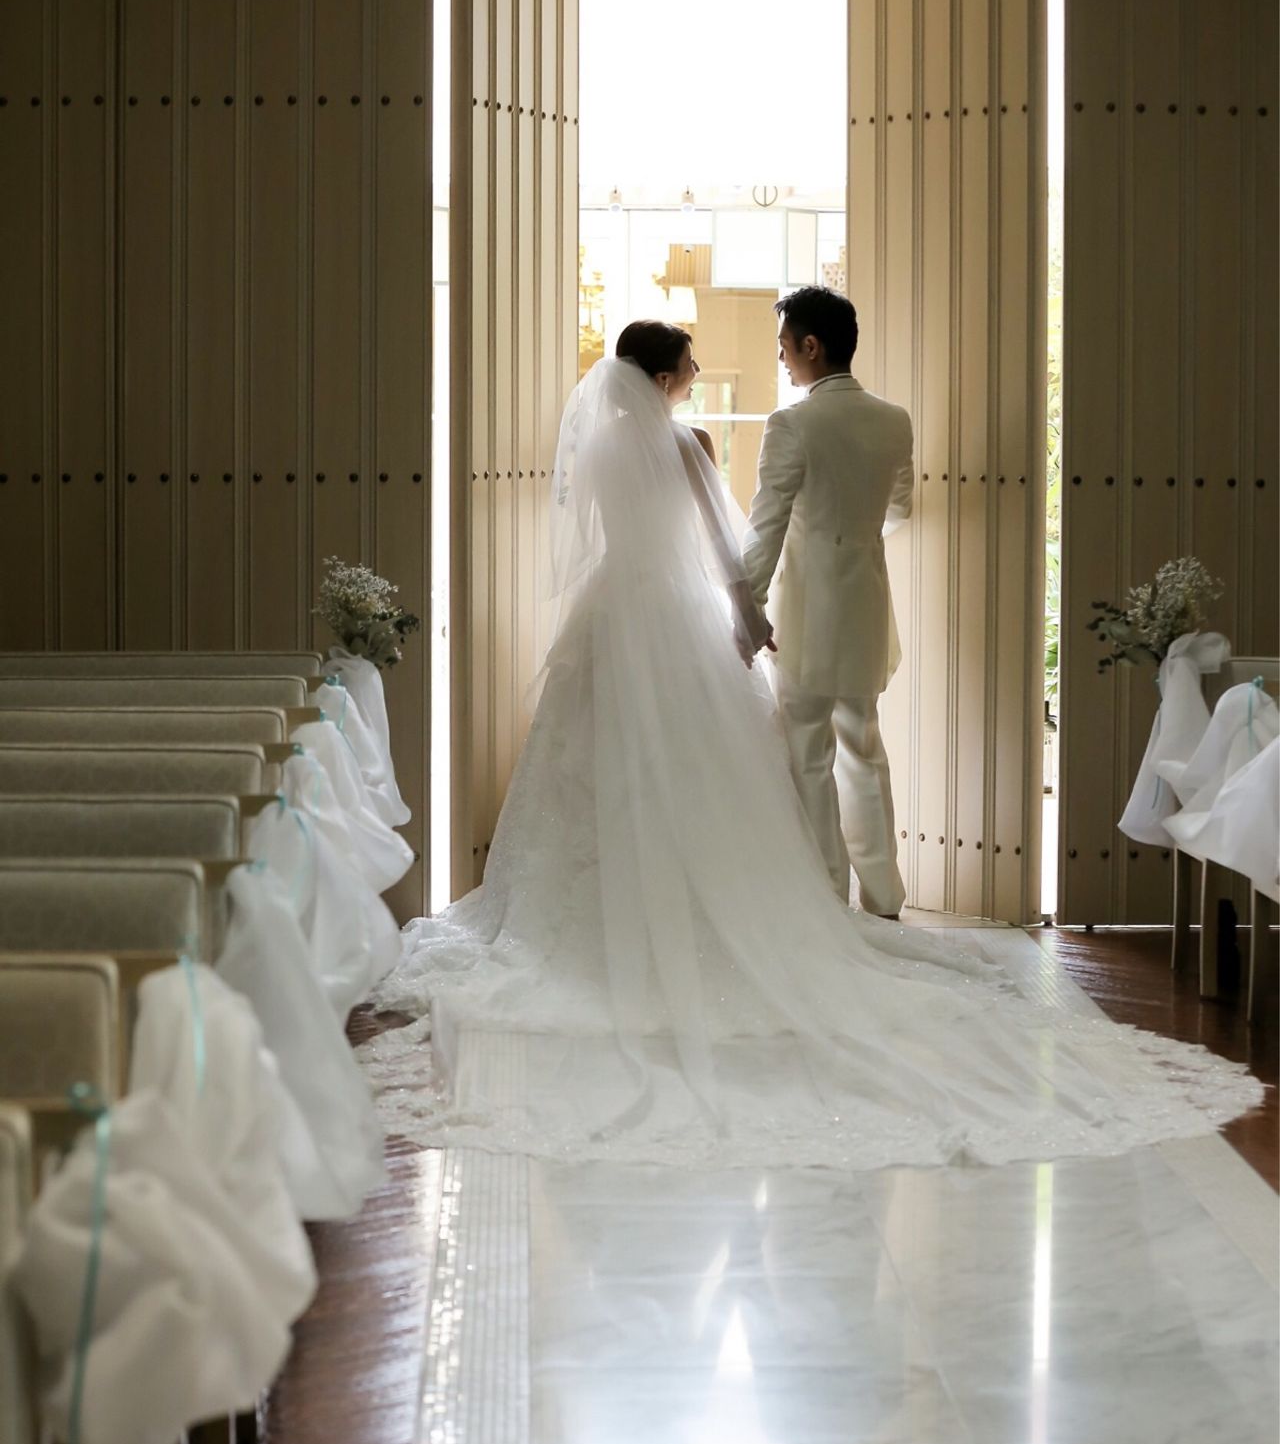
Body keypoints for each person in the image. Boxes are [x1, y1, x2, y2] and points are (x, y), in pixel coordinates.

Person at [360, 328, 1260, 1171]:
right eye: (689, 365)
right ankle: (785, 899)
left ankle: (590, 920)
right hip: (674, 619)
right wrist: (747, 617)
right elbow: (723, 544)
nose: (696, 375)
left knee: (592, 767)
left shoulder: (594, 450)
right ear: (664, 378)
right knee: (719, 768)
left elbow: (594, 539)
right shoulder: (690, 445)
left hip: (610, 617)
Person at [745, 286, 911, 916]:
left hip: (807, 613)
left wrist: (749, 607)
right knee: (864, 746)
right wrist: (851, 540)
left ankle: (826, 898)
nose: (782, 358)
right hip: (866, 603)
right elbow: (900, 509)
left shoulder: (792, 424)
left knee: (808, 754)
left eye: (785, 346)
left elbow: (766, 526)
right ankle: (884, 896)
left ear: (811, 346)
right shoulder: (894, 419)